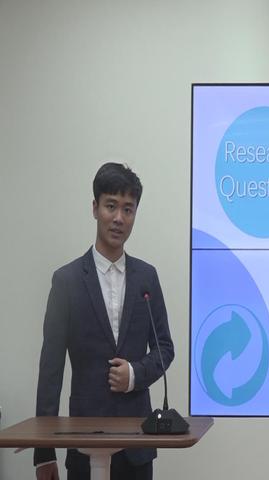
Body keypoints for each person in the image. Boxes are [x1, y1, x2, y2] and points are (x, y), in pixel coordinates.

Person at [34, 163, 175, 480]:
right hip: (83, 442)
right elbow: (50, 370)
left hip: (137, 444)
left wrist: (135, 374)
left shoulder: (147, 277)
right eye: (111, 206)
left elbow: (165, 348)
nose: (119, 218)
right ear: (95, 208)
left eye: (128, 209)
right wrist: (44, 454)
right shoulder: (66, 281)